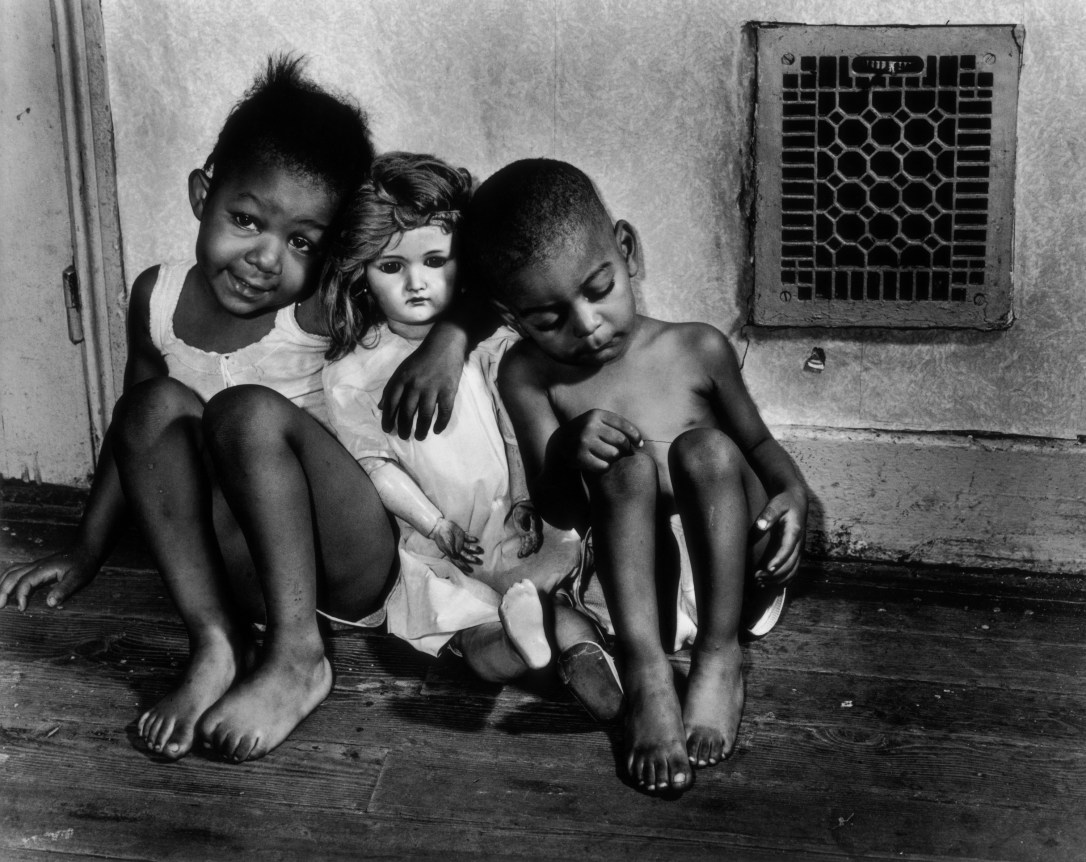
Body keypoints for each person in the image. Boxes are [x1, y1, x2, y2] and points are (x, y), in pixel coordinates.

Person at [0, 56, 467, 763]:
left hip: (346, 564)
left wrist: (452, 342)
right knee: (153, 403)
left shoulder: (322, 305)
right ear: (202, 193)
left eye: (302, 241)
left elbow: (465, 278)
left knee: (246, 414)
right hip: (236, 565)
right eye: (247, 219)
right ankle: (215, 640)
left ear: (332, 249)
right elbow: (134, 437)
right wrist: (85, 548)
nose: (264, 257)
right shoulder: (155, 296)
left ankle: (298, 656)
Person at [464, 158, 809, 794]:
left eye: (598, 290)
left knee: (706, 448)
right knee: (626, 463)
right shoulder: (528, 376)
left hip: (732, 569)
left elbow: (757, 444)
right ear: (510, 317)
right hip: (633, 588)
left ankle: (718, 656)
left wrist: (792, 496)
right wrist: (567, 445)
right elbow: (559, 510)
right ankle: (647, 672)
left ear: (625, 251)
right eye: (548, 318)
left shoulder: (697, 348)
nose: (586, 326)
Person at [320, 152, 622, 718]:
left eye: (435, 261)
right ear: (360, 272)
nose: (416, 283)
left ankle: (585, 660)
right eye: (391, 267)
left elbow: (517, 421)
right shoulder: (351, 373)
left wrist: (533, 497)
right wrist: (437, 527)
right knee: (464, 625)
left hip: (513, 517)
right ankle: (515, 645)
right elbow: (375, 465)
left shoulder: (486, 340)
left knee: (551, 590)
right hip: (444, 540)